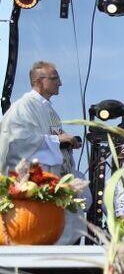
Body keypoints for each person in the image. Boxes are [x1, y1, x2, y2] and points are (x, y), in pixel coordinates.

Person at [0, 61, 86, 243]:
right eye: (55, 79)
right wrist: (56, 140)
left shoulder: (48, 110)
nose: (60, 83)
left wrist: (67, 143)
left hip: (54, 186)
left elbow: (51, 138)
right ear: (39, 82)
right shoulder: (24, 107)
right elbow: (19, 140)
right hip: (32, 191)